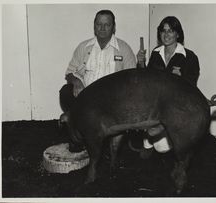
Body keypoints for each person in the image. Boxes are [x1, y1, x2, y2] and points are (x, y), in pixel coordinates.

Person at [59, 10, 136, 151]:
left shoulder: (124, 49)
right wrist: (76, 81)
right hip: (86, 98)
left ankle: (109, 139)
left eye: (107, 25)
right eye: (99, 24)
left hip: (113, 101)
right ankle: (76, 134)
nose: (102, 28)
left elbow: (132, 81)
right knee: (65, 91)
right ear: (94, 26)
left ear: (113, 27)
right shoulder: (84, 47)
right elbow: (69, 72)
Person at [137, 16, 200, 158]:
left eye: (171, 31)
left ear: (178, 34)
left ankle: (156, 137)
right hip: (154, 105)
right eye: (163, 31)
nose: (166, 35)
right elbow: (146, 80)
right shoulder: (155, 53)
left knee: (161, 148)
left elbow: (192, 89)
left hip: (176, 106)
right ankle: (148, 142)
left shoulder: (190, 57)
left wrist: (181, 79)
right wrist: (141, 63)